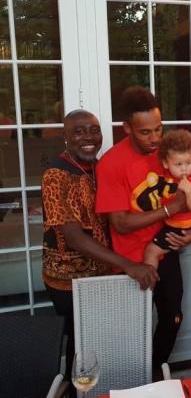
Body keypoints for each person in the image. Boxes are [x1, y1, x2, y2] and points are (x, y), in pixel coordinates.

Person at [42, 109, 157, 387]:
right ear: (65, 136)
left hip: (104, 272)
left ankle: (103, 389)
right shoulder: (56, 174)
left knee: (103, 339)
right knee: (80, 344)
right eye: (79, 132)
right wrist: (129, 264)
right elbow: (73, 237)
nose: (88, 137)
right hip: (68, 280)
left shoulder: (100, 167)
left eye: (94, 130)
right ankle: (76, 391)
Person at [95, 87, 191, 373]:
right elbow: (120, 223)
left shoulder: (168, 152)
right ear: (127, 128)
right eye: (145, 132)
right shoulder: (111, 163)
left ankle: (153, 376)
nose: (154, 138)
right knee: (132, 328)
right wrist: (169, 211)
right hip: (131, 262)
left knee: (173, 318)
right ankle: (133, 381)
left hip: (167, 251)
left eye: (158, 129)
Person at [144, 129, 191, 268]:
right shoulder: (168, 176)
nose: (184, 168)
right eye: (178, 164)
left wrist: (189, 190)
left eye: (188, 163)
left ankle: (149, 281)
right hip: (171, 224)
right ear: (166, 163)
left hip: (179, 228)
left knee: (151, 252)